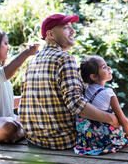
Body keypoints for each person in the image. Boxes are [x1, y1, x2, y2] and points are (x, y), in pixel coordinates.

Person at [19, 14, 119, 150]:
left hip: (35, 140)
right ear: (50, 34)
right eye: (66, 28)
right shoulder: (64, 58)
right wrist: (110, 118)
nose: (73, 31)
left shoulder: (33, 61)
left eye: (72, 27)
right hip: (63, 140)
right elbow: (76, 104)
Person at [74, 56, 128, 155]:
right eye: (104, 67)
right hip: (104, 139)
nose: (109, 68)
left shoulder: (85, 89)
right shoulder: (108, 93)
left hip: (88, 139)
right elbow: (123, 120)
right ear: (94, 76)